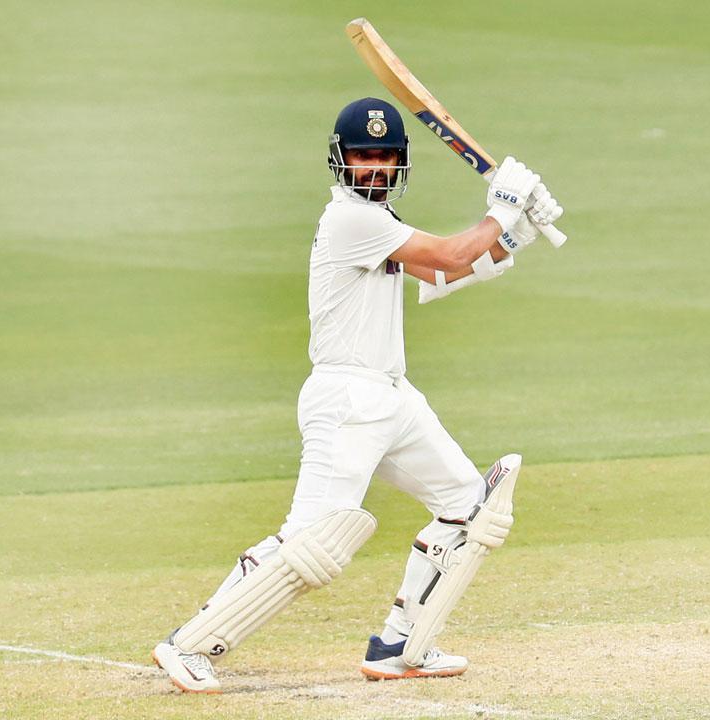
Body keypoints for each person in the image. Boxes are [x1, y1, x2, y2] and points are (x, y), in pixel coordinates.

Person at [151, 97, 562, 692]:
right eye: (363, 155)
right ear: (340, 160)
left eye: (385, 155)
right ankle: (190, 643)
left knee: (470, 507)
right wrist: (501, 208)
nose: (374, 167)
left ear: (400, 162)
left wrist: (514, 232)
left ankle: (402, 642)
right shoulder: (351, 219)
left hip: (393, 400)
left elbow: (445, 274)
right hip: (346, 400)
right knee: (312, 542)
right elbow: (450, 253)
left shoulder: (384, 226)